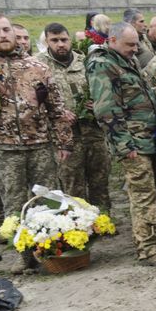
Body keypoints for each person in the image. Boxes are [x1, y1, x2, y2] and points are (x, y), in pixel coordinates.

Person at [0, 13, 71, 269]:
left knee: (47, 200)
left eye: (6, 29)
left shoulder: (37, 66)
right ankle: (24, 256)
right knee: (13, 203)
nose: (2, 34)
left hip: (40, 144)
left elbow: (57, 108)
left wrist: (64, 142)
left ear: (14, 33)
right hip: (4, 148)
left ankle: (52, 250)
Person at [87, 22, 156, 267]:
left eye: (137, 43)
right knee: (142, 194)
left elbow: (139, 93)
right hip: (132, 142)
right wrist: (124, 146)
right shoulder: (102, 65)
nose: (135, 49)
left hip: (147, 138)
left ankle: (149, 237)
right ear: (112, 40)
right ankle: (147, 249)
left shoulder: (126, 60)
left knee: (152, 192)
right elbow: (106, 109)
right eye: (129, 44)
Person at [39, 23, 110, 212]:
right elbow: (33, 103)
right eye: (55, 41)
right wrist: (56, 113)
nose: (60, 44)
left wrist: (96, 104)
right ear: (47, 42)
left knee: (100, 178)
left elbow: (101, 89)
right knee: (72, 182)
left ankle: (103, 219)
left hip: (93, 131)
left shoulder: (85, 62)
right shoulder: (39, 66)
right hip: (64, 137)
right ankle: (79, 222)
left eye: (63, 40)